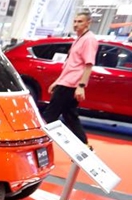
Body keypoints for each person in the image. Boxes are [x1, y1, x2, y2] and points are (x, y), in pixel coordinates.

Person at [41, 11, 98, 145]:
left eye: (80, 22)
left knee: (50, 114)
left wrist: (81, 86)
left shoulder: (89, 40)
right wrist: (57, 81)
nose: (76, 24)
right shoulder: (79, 39)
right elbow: (70, 65)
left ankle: (37, 141)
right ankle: (84, 144)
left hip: (71, 85)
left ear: (88, 23)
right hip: (66, 82)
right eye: (75, 21)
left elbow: (88, 64)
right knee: (70, 115)